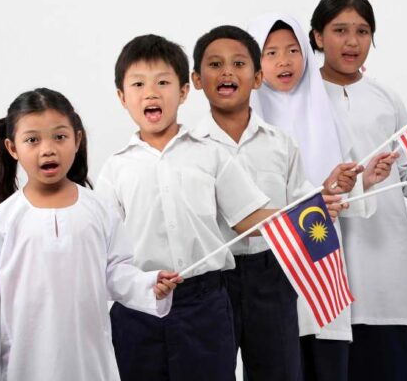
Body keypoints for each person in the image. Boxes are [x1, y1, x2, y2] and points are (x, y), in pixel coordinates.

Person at [0, 88, 178, 381]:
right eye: (32, 140)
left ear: (77, 139)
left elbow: (115, 272)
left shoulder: (98, 209)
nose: (47, 149)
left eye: (59, 137)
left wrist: (149, 284)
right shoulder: (3, 220)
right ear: (12, 148)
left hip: (89, 362)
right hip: (25, 364)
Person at [97, 34, 278, 380]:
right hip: (138, 307)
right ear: (122, 97)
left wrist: (306, 212)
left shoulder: (209, 153)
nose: (151, 93)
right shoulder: (115, 170)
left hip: (204, 305)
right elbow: (105, 250)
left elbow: (248, 218)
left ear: (182, 91)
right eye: (138, 84)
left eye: (163, 82)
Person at [190, 24, 355, 381]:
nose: (227, 72)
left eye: (239, 63)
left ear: (258, 77)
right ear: (197, 79)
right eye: (215, 65)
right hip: (213, 278)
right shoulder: (189, 148)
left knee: (279, 370)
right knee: (210, 370)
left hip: (272, 273)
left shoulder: (280, 143)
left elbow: (299, 202)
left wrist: (323, 200)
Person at [248, 13, 398, 381]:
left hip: (321, 261)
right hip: (269, 269)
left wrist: (362, 183)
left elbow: (340, 195)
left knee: (327, 359)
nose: (283, 61)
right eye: (270, 53)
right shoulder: (246, 121)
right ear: (255, 63)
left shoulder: (325, 113)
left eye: (293, 51)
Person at [310, 0, 407, 380]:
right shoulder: (300, 99)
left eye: (362, 30)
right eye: (340, 29)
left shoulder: (387, 99)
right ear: (317, 36)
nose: (353, 41)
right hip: (323, 267)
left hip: (386, 266)